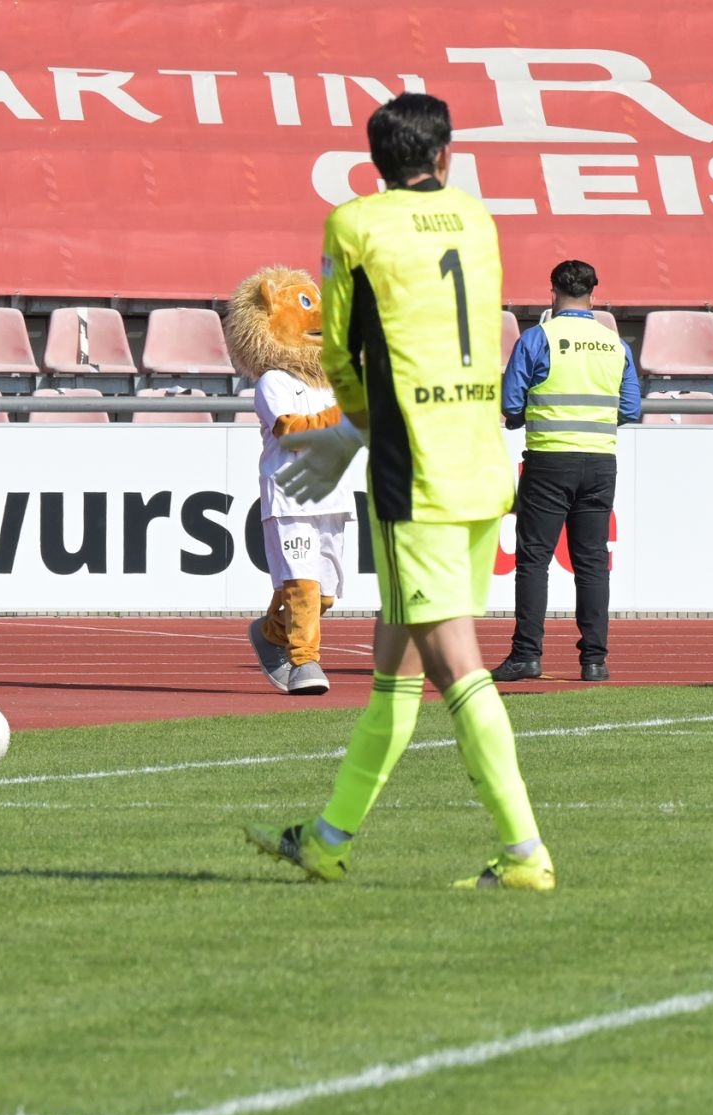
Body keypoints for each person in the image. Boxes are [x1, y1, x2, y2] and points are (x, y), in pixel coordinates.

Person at [244, 93, 553, 892]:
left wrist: (347, 433)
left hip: (414, 473)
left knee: (453, 662)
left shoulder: (354, 224)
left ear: (374, 160)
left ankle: (525, 852)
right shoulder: (477, 220)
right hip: (480, 459)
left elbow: (340, 352)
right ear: (445, 155)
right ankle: (327, 839)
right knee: (395, 663)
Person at [491, 260, 640, 684]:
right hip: (600, 462)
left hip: (549, 460)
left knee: (534, 560)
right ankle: (594, 661)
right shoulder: (615, 344)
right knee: (591, 562)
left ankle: (527, 655)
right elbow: (630, 408)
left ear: (553, 292)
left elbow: (511, 403)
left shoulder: (538, 338)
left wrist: (527, 418)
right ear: (594, 294)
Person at [227, 264, 357, 697]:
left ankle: (270, 632)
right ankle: (304, 661)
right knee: (303, 586)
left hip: (334, 496)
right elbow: (293, 432)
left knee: (325, 595)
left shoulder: (333, 382)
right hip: (290, 498)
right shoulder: (274, 381)